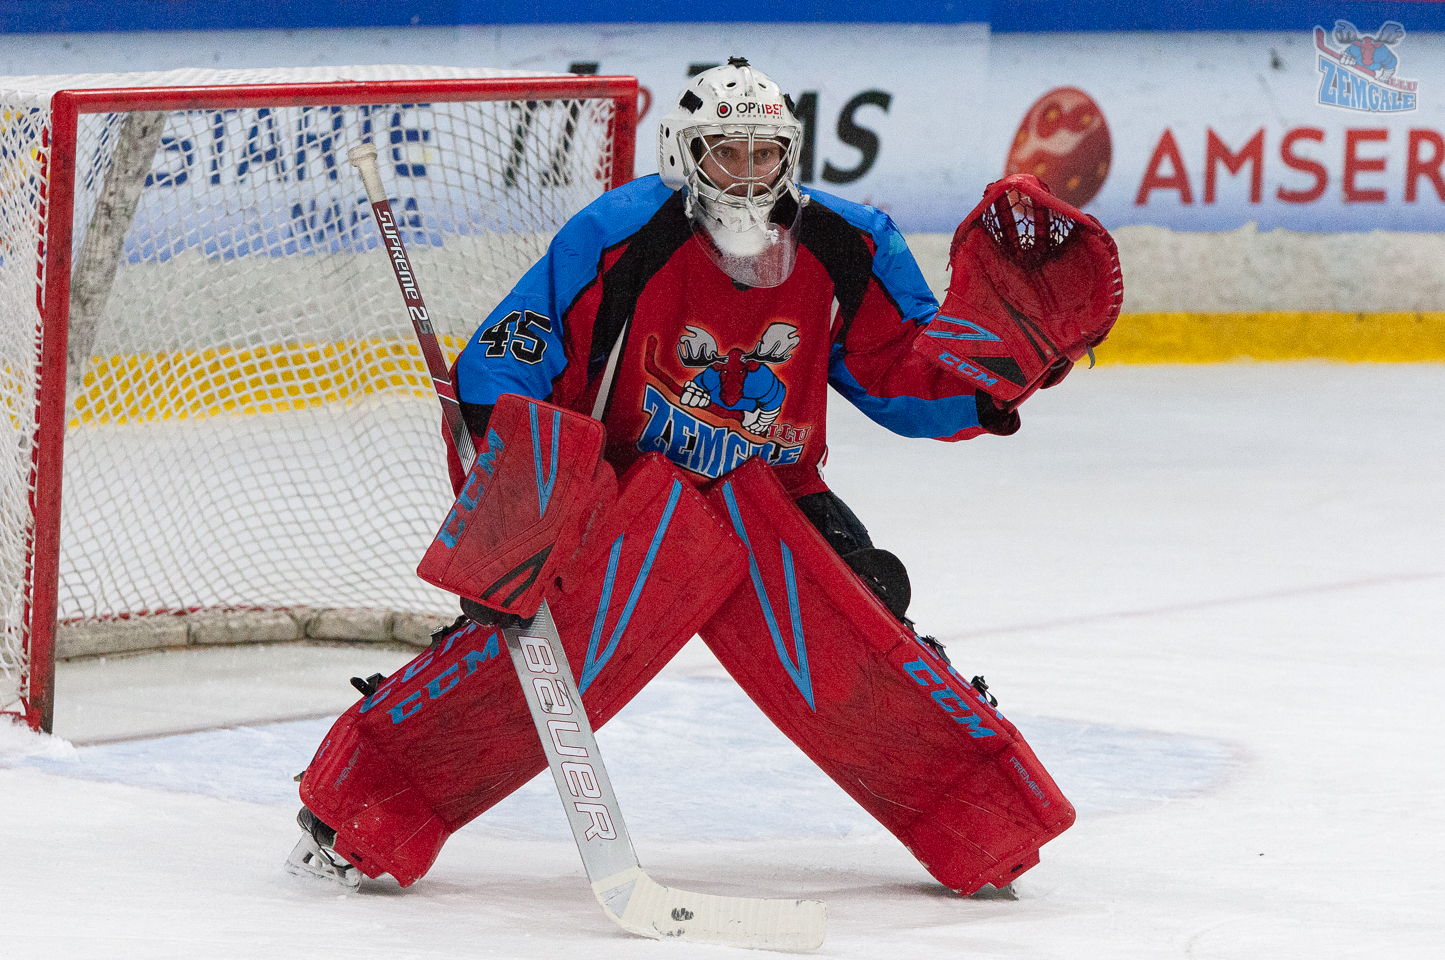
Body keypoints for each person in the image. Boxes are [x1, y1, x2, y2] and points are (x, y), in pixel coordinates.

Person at [288, 57, 1116, 896]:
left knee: (870, 642)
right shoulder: (618, 235)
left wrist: (995, 367)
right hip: (628, 493)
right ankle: (355, 809)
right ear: (685, 155)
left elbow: (898, 377)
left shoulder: (845, 243)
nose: (750, 172)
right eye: (728, 151)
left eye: (766, 152)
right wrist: (514, 503)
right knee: (533, 653)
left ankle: (984, 825)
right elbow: (512, 362)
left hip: (773, 493)